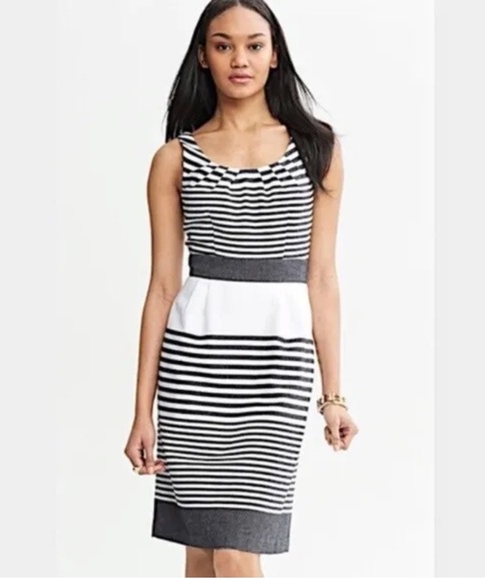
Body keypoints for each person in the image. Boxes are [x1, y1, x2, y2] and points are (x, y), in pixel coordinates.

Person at [124, 0, 359, 576]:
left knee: (235, 550)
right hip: (193, 371)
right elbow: (162, 287)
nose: (240, 59)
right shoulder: (174, 160)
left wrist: (333, 396)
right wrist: (142, 412)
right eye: (223, 45)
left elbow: (322, 277)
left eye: (254, 45)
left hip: (276, 371)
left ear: (275, 55)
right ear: (203, 56)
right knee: (204, 554)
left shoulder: (318, 151)